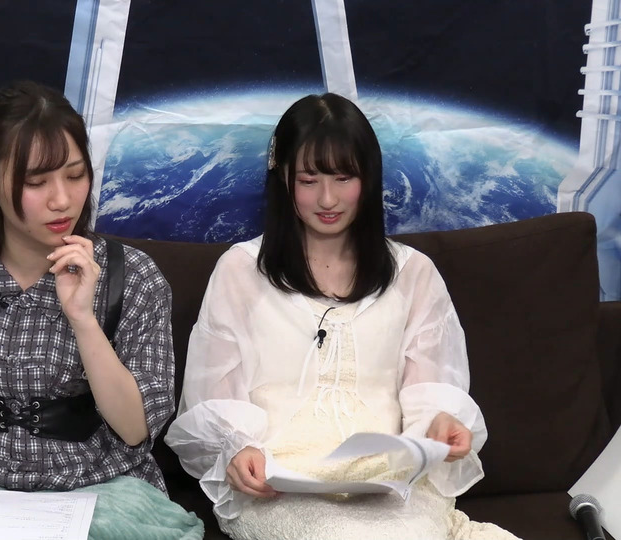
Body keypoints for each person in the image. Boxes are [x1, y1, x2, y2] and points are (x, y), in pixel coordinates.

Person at [164, 93, 519, 540]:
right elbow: (214, 395)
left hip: (389, 481)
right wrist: (237, 449)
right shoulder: (241, 270)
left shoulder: (414, 273)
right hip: (280, 485)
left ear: (368, 179)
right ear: (283, 179)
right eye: (308, 180)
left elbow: (431, 389)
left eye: (343, 178)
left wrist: (441, 425)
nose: (327, 198)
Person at [0, 80, 202, 540]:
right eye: (36, 182)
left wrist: (83, 318)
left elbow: (136, 429)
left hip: (103, 485)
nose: (62, 200)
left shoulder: (133, 277)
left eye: (75, 175)